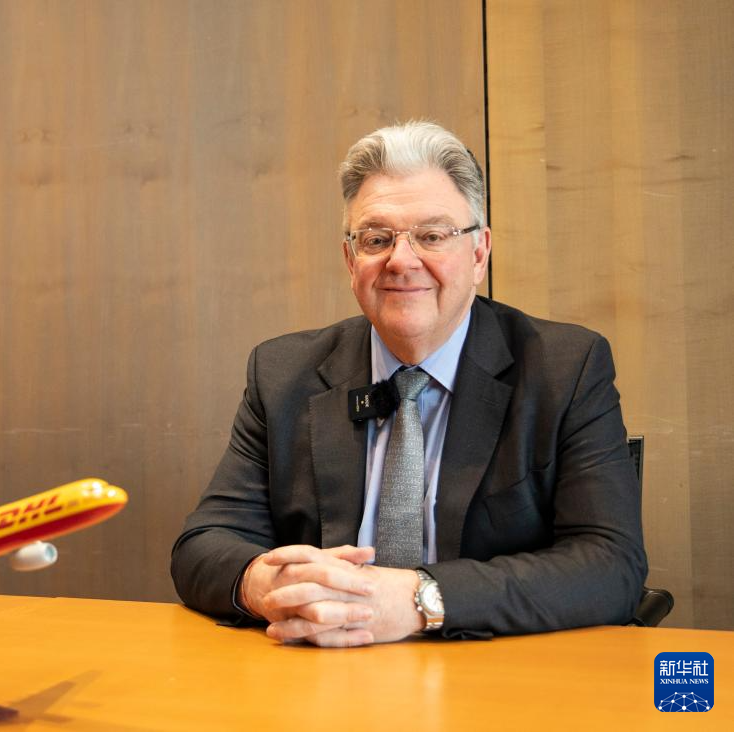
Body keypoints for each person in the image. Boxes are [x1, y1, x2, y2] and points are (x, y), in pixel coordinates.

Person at [170, 120, 647, 646]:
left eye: (432, 236)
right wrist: (265, 584)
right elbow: (203, 545)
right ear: (351, 260)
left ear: (479, 254)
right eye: (377, 239)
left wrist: (421, 598)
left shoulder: (564, 368)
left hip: (491, 674)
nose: (401, 260)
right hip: (322, 671)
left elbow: (611, 564)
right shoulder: (283, 373)